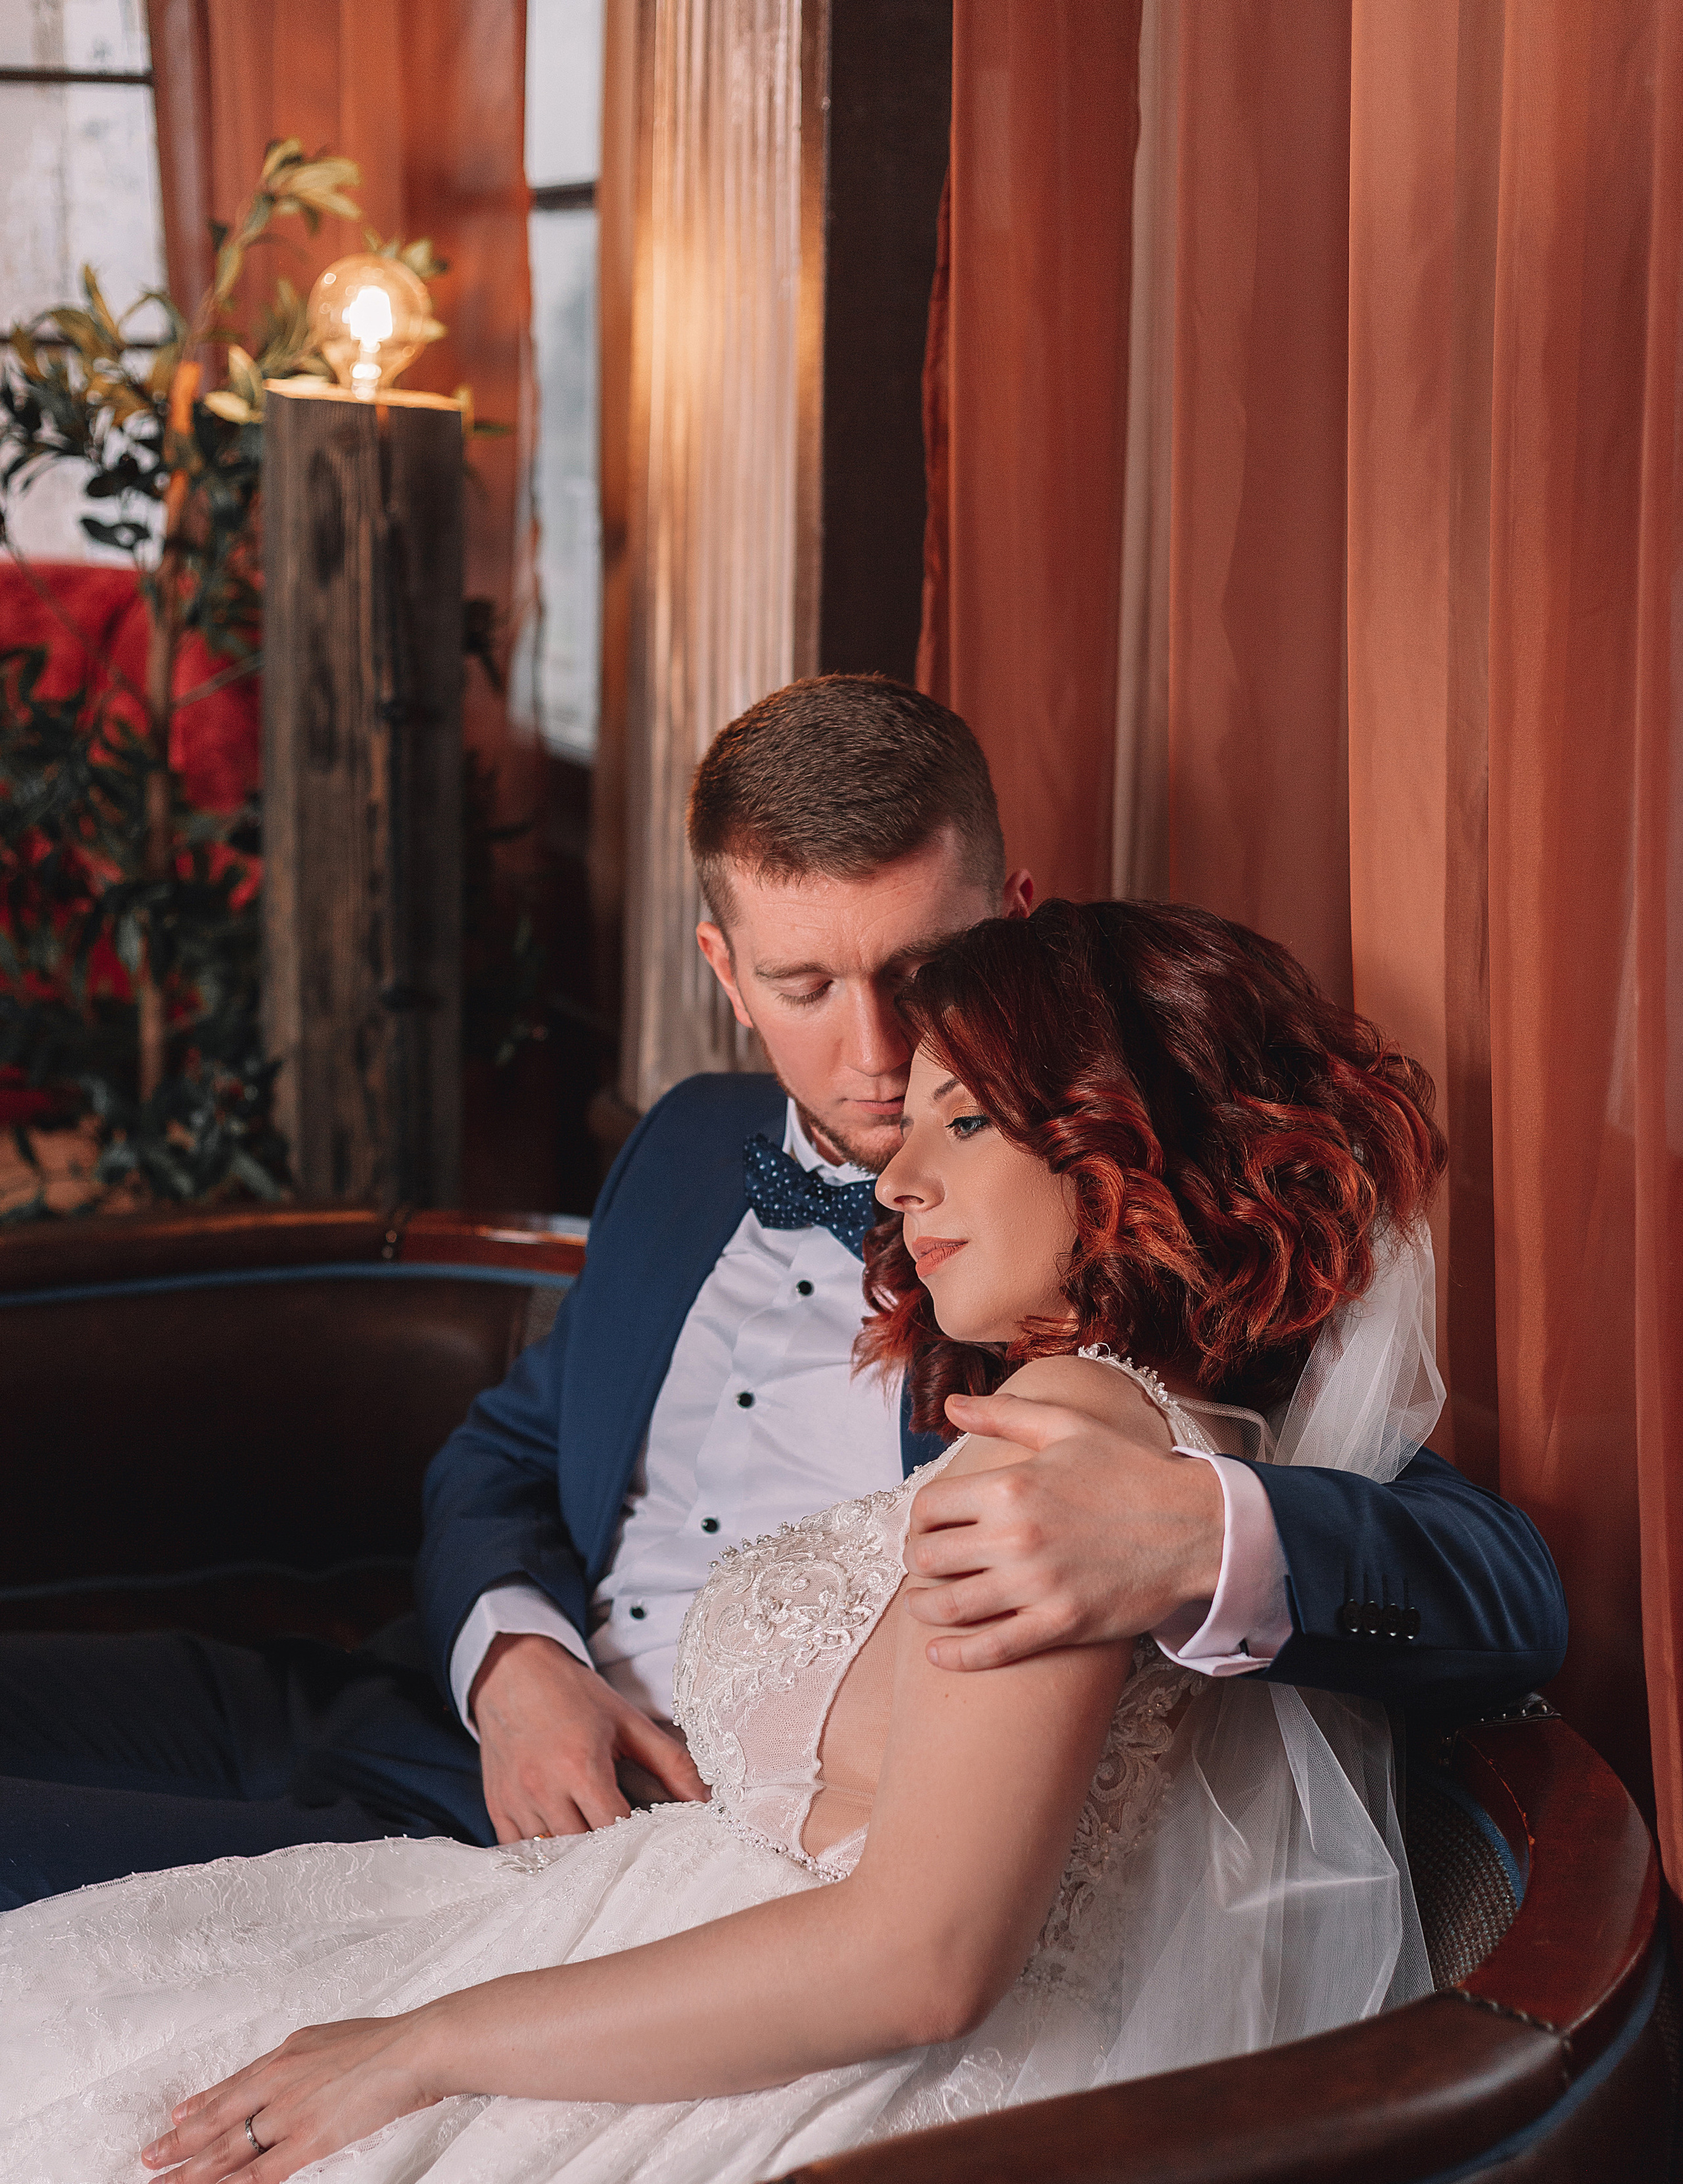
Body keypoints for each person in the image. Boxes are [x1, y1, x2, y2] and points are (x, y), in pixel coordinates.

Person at [9, 899, 1447, 2184]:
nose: (898, 1178)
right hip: (617, 1900)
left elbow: (918, 1959)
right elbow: (501, 1457)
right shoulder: (1119, 1416)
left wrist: (424, 2048)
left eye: (962, 1122)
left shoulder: (1067, 1458)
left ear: (1111, 1143)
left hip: (805, 2043)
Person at [0, 678, 1563, 1906]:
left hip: (652, 1868)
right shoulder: (688, 1148)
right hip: (430, 1718)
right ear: (723, 969)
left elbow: (1496, 1590)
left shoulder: (1104, 1237)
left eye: (920, 966)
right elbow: (504, 1451)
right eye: (806, 988)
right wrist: (513, 1661)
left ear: (1014, 918)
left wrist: (1191, 1535)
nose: (876, 1053)